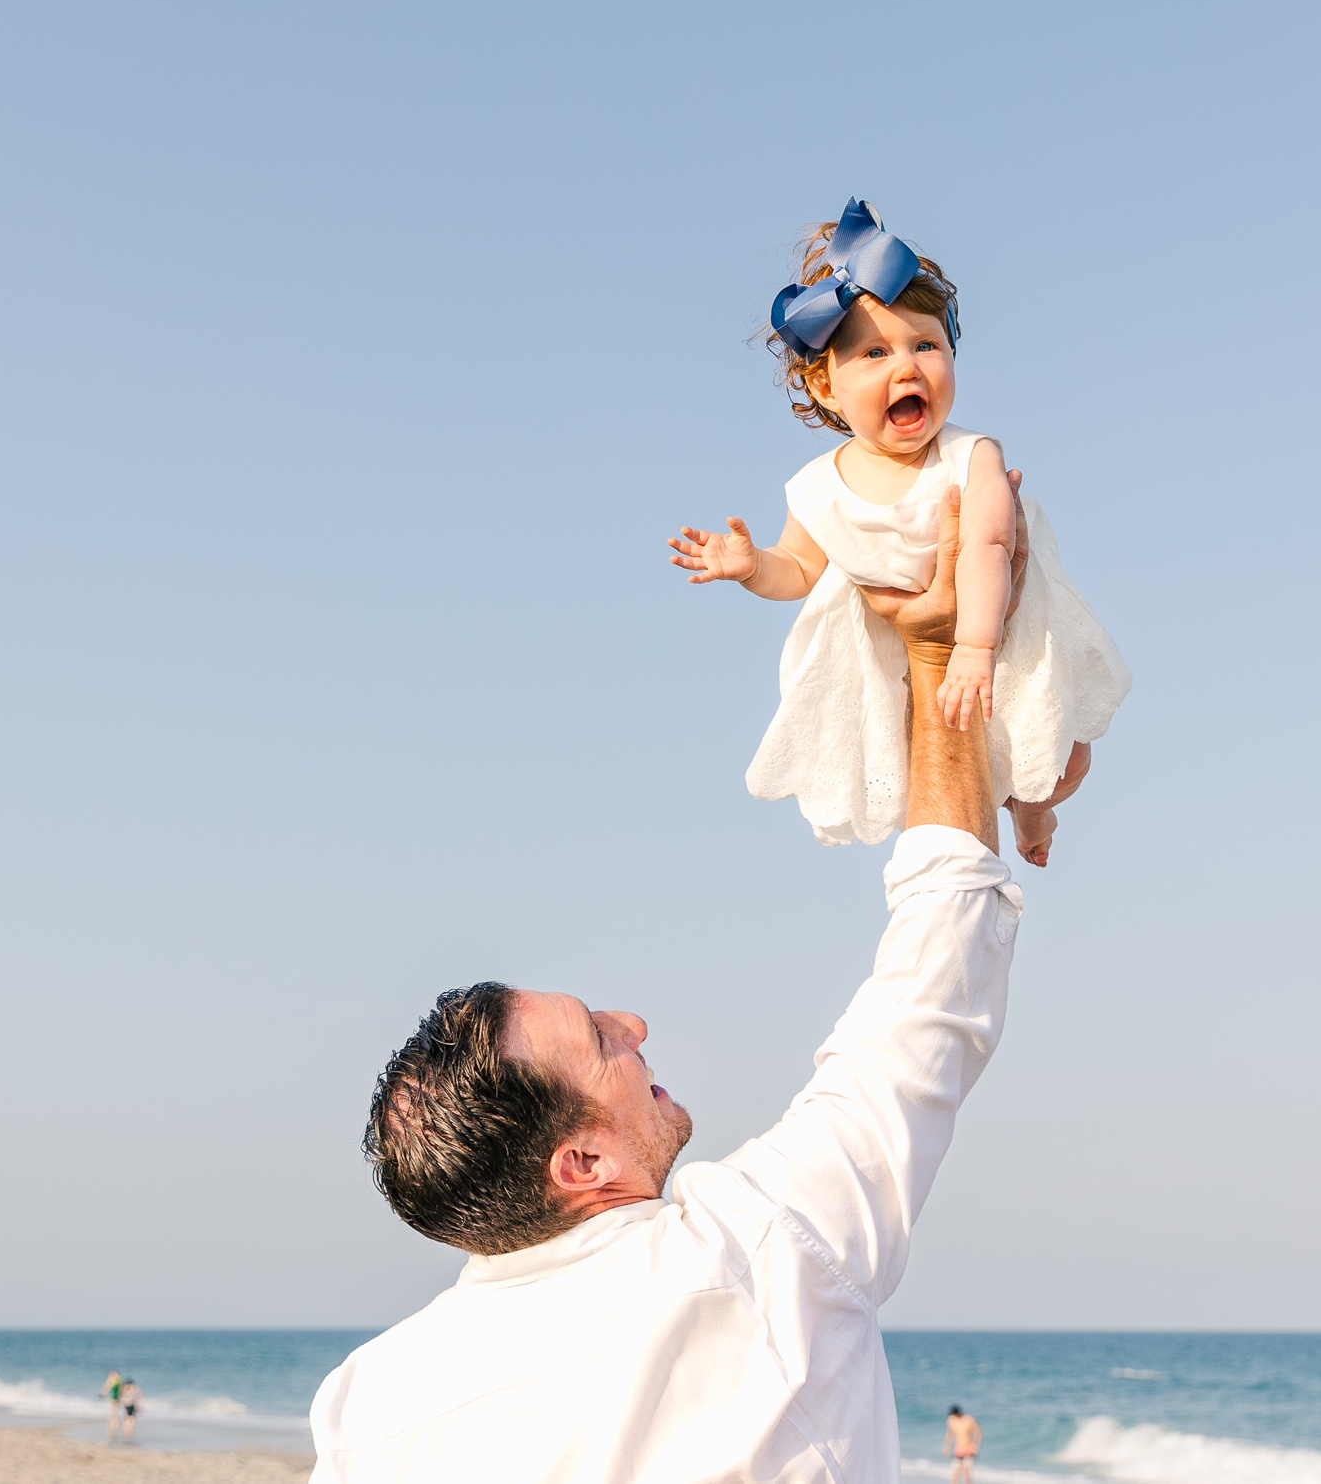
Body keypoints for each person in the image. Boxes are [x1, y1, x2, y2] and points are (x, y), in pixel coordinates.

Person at [313, 485, 1026, 1481]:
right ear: (582, 1161)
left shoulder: (367, 1404)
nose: (634, 1021)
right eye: (601, 1039)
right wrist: (938, 650)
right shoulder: (750, 1252)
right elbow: (933, 985)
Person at [670, 199, 1130, 866]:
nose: (906, 366)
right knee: (922, 775)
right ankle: (992, 823)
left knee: (1060, 758)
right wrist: (749, 566)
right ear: (826, 386)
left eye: (926, 345)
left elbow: (989, 546)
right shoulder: (817, 485)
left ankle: (1034, 818)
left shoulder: (973, 457)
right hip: (894, 657)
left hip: (998, 630)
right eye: (875, 352)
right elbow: (798, 568)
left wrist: (973, 646)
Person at [945, 1405, 982, 1483]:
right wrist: (946, 1447)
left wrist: (974, 1446)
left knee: (967, 1473)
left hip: (968, 1449)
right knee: (954, 1474)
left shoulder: (968, 1419)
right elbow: (949, 1434)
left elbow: (978, 1433)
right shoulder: (951, 1420)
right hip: (958, 1450)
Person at [102, 1371, 130, 1442]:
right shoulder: (120, 1380)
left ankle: (114, 1423)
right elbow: (123, 1389)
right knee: (115, 1410)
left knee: (113, 1411)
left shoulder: (114, 1380)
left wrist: (102, 1394)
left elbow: (107, 1387)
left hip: (114, 1397)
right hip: (119, 1397)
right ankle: (116, 1422)